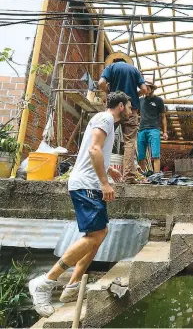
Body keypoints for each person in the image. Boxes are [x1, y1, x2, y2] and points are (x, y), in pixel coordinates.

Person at [28, 92, 132, 318]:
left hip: (90, 184)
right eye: (131, 106)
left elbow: (95, 151)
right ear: (121, 106)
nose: (132, 111)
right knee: (94, 236)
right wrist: (105, 183)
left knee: (100, 233)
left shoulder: (107, 123)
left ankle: (73, 286)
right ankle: (45, 282)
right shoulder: (105, 119)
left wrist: (108, 169)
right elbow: (94, 149)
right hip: (87, 185)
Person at [98, 51, 148, 183]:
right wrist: (134, 95)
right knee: (130, 142)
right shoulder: (134, 70)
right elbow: (144, 89)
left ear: (114, 60)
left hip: (114, 110)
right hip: (130, 110)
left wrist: (110, 92)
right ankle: (129, 177)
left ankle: (98, 172)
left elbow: (101, 83)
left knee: (103, 138)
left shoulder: (111, 68)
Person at [138, 79, 167, 173]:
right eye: (144, 87)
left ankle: (157, 176)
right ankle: (142, 177)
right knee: (141, 156)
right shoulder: (140, 100)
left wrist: (165, 132)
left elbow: (163, 117)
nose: (145, 89)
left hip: (154, 129)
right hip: (141, 130)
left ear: (152, 88)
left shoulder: (158, 100)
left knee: (155, 155)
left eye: (147, 87)